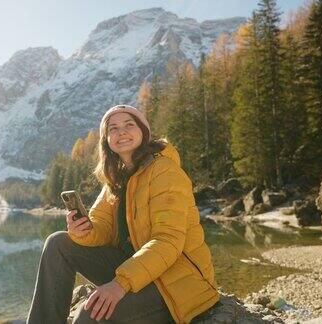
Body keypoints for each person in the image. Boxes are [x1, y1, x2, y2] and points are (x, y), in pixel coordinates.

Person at [26, 105, 219, 324]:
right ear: (107, 140)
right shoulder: (117, 178)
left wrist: (120, 284)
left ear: (143, 132)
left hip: (179, 282)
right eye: (113, 128)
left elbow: (168, 240)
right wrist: (83, 231)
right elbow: (103, 228)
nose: (121, 132)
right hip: (140, 270)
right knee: (58, 243)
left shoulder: (164, 170)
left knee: (90, 315)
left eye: (129, 125)